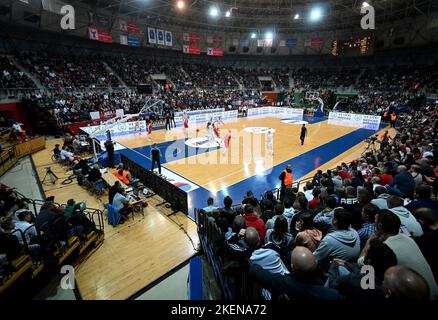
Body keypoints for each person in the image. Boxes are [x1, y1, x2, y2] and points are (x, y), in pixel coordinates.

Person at [368, 211, 438, 299]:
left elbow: (363, 263)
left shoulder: (385, 248)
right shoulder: (409, 239)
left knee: (367, 279)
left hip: (417, 298)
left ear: (380, 226)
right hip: (432, 292)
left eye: (375, 220)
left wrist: (370, 241)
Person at [249, 247, 342, 300]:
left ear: (292, 268)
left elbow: (263, 275)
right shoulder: (335, 290)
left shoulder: (287, 283)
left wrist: (252, 265)